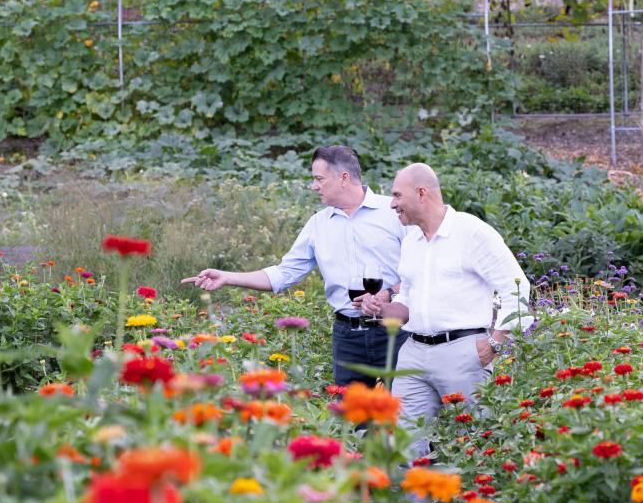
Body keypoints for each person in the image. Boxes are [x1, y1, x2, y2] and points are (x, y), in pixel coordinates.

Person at [182, 145, 406, 386]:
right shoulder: (318, 224)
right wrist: (227, 277)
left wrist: (389, 294)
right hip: (347, 338)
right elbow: (283, 274)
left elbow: (422, 271)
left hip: (395, 332)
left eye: (319, 179)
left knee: (402, 416)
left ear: (344, 178)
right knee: (351, 420)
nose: (314, 186)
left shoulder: (394, 213)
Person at [359, 163, 531, 455]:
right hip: (413, 353)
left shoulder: (471, 232)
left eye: (397, 195)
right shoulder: (411, 240)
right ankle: (415, 500)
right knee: (404, 445)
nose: (392, 204)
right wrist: (382, 308)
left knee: (475, 443)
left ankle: (472, 501)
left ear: (422, 193)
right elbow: (409, 301)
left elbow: (517, 287)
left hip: (463, 353)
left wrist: (495, 343)